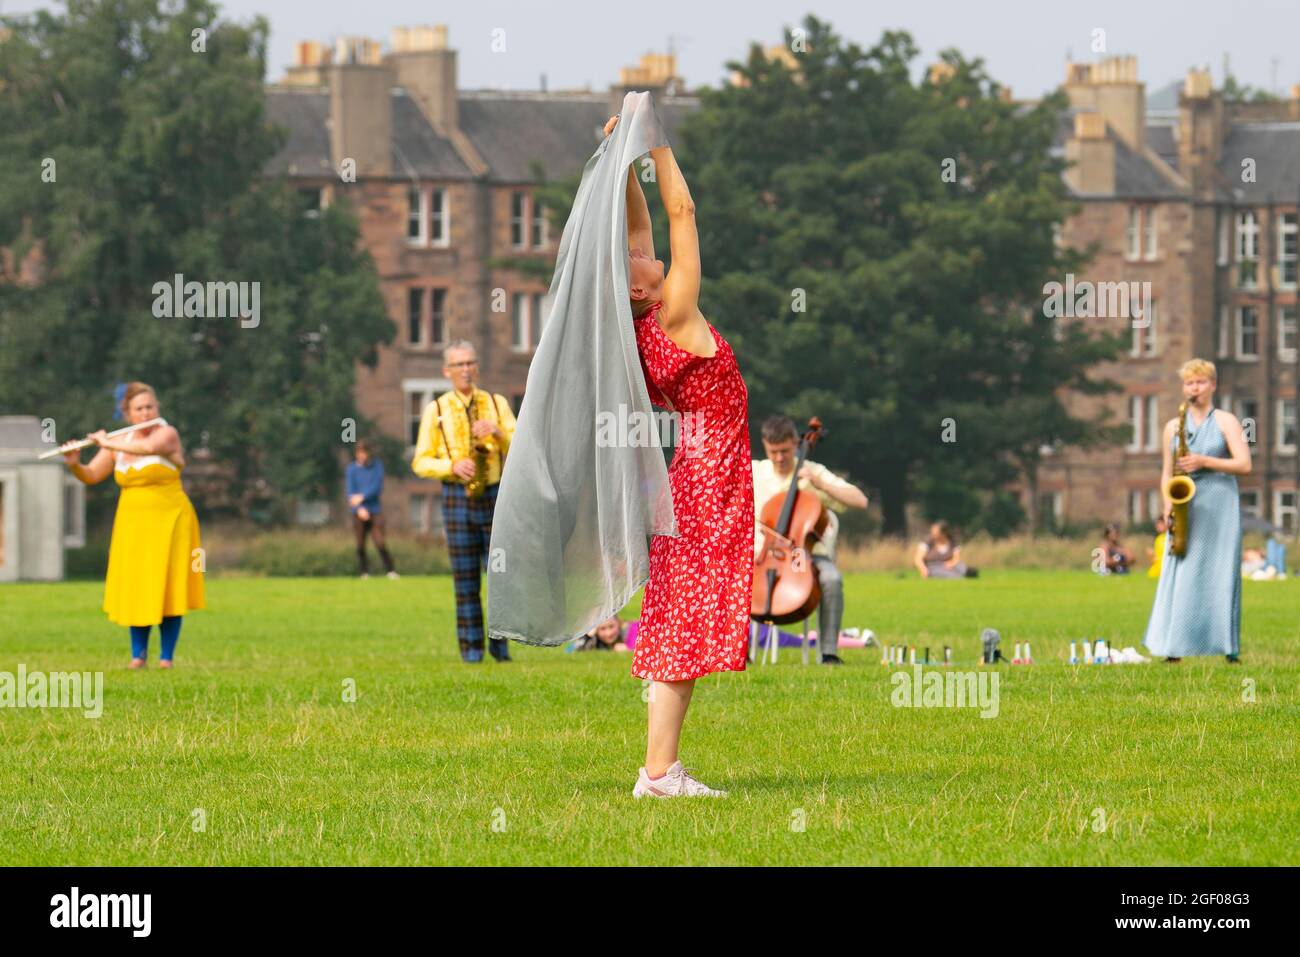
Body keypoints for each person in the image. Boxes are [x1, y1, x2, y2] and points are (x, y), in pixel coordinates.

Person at [606, 112, 752, 799]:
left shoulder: (643, 324)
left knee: (681, 626)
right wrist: (657, 138)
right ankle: (658, 773)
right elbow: (681, 211)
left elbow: (639, 228)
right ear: (641, 287)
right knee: (684, 630)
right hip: (710, 476)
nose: (648, 250)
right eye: (639, 259)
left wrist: (624, 158)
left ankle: (661, 769)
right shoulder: (676, 314)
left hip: (692, 472)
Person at [61, 382, 205, 669]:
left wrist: (105, 441)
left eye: (150, 406)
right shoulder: (119, 442)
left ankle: (166, 657)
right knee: (138, 584)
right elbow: (91, 475)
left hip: (171, 519)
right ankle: (137, 655)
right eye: (139, 409)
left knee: (168, 584)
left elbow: (149, 448)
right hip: (133, 523)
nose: (145, 412)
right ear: (128, 413)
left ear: (157, 408)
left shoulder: (167, 433)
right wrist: (75, 463)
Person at [412, 341, 517, 663]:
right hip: (457, 495)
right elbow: (420, 462)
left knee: (500, 578)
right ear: (447, 371)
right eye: (459, 365)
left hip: (495, 493)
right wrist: (452, 466)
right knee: (465, 577)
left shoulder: (496, 404)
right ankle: (471, 652)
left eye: (471, 362)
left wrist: (499, 434)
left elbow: (523, 447)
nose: (466, 369)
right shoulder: (437, 409)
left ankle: (501, 650)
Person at [1142, 359, 1250, 663]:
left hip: (1219, 503)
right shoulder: (1173, 426)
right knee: (1181, 571)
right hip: (1186, 502)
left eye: (1200, 382)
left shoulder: (1227, 421)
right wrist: (1167, 505)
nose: (1195, 388)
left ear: (1212, 385)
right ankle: (1173, 647)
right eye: (1189, 383)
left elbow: (1244, 464)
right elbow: (1167, 472)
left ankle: (1228, 648)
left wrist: (1204, 461)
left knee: (1221, 572)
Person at [752, 415, 869, 665]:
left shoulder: (813, 471)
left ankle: (828, 652)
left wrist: (819, 484)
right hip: (759, 554)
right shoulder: (754, 471)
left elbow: (860, 500)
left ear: (796, 443)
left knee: (832, 579)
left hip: (805, 554)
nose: (780, 458)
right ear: (765, 446)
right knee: (730, 575)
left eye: (785, 451)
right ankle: (737, 648)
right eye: (773, 452)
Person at [346, 439, 397, 579]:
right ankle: (364, 572)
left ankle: (390, 571)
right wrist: (359, 508)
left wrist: (362, 497)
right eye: (360, 453)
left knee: (380, 542)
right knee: (360, 544)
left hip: (375, 510)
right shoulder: (351, 470)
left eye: (364, 453)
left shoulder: (377, 466)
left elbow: (377, 487)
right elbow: (351, 492)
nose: (362, 456)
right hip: (359, 512)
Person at [1146, 515, 1167, 579]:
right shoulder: (1158, 538)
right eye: (1157, 524)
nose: (1157, 526)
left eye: (1160, 523)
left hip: (1162, 568)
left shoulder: (1166, 538)